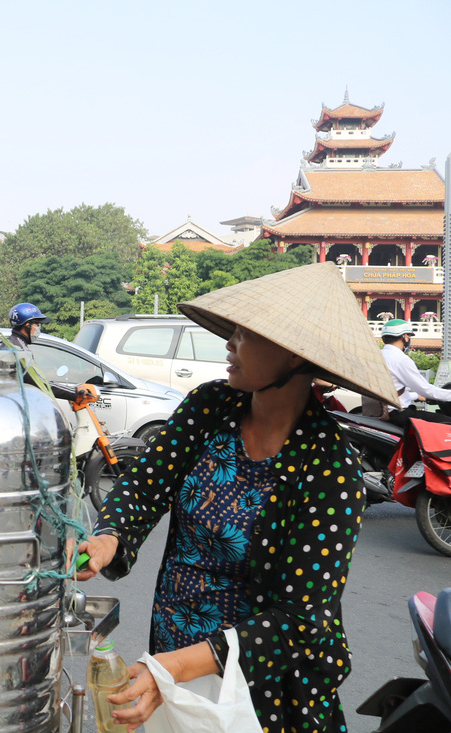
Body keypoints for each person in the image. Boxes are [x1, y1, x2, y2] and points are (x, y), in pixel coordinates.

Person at [70, 262, 398, 733]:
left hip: (260, 683)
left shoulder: (330, 468)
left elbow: (299, 620)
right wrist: (110, 537)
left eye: (245, 333)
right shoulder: (209, 407)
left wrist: (175, 671)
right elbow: (145, 485)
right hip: (171, 649)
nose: (229, 343)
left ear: (292, 356)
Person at [379, 318, 451, 426]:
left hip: (382, 412)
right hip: (399, 415)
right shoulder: (400, 359)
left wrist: (416, 396)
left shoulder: (378, 355)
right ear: (405, 337)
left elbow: (391, 391)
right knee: (447, 422)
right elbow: (426, 389)